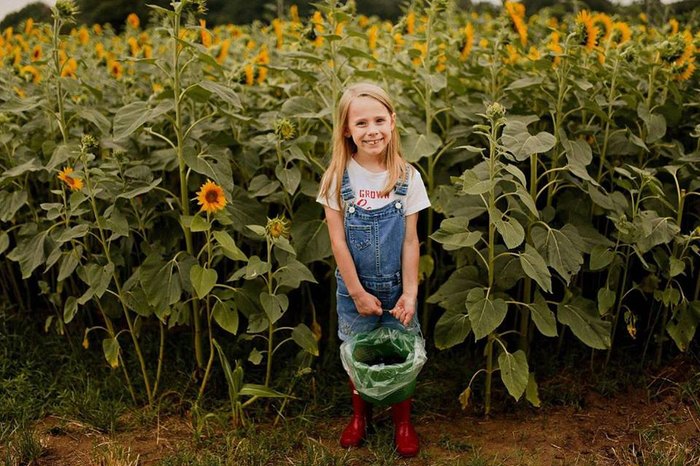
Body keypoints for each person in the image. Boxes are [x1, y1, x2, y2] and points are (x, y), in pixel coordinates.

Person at [317, 82, 431, 457]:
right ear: (346, 130)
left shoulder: (407, 177)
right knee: (358, 352)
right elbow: (338, 243)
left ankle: (402, 421)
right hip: (355, 287)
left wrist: (410, 293)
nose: (372, 130)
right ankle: (359, 418)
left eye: (379, 120)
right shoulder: (337, 178)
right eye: (361, 123)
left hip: (398, 286)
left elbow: (411, 241)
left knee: (403, 351)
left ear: (393, 122)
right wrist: (357, 292)